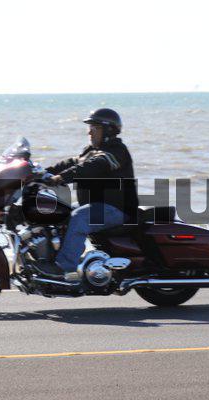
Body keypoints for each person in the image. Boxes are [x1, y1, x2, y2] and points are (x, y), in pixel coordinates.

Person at [38, 108, 138, 282]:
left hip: (118, 209)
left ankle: (63, 267)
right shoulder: (91, 150)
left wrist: (60, 178)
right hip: (97, 206)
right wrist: (41, 173)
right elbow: (72, 163)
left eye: (94, 128)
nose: (89, 132)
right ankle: (49, 258)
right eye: (89, 128)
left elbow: (92, 166)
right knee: (59, 213)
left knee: (80, 218)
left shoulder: (116, 151)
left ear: (108, 130)